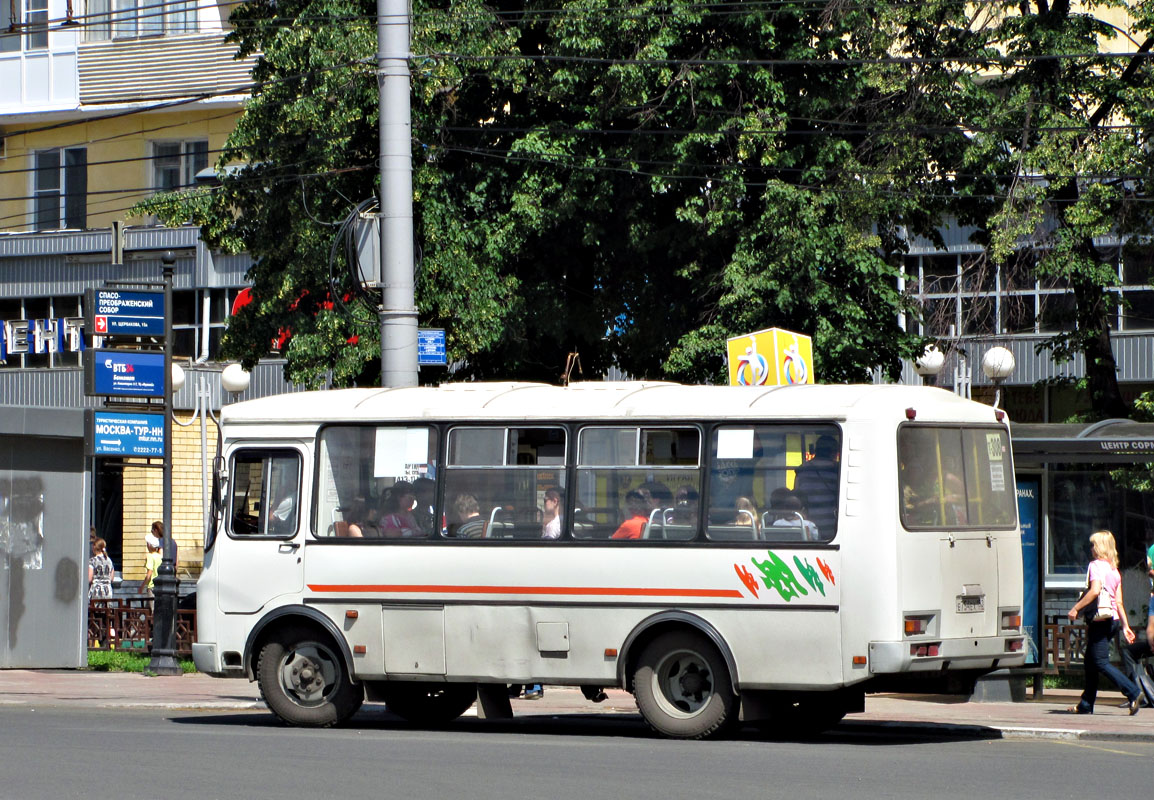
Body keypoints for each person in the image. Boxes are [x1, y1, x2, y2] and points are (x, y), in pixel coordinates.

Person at [1067, 530, 1142, 715]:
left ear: (1100, 547)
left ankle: (1133, 692)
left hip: (1100, 620)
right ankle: (1086, 704)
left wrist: (1076, 608)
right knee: (1091, 662)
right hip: (1113, 620)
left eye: (1093, 544)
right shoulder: (1113, 570)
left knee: (1100, 662)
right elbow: (1118, 602)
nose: (1091, 548)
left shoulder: (1096, 566)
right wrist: (1125, 626)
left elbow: (1094, 591)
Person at [794, 435, 839, 535]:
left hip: (807, 524)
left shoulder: (802, 469)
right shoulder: (837, 470)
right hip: (831, 525)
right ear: (833, 452)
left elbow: (796, 494)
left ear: (815, 450)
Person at [141, 532, 162, 596]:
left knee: (152, 605)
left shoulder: (150, 556)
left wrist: (142, 587)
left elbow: (149, 573)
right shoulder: (160, 556)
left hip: (152, 586)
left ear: (149, 545)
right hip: (159, 585)